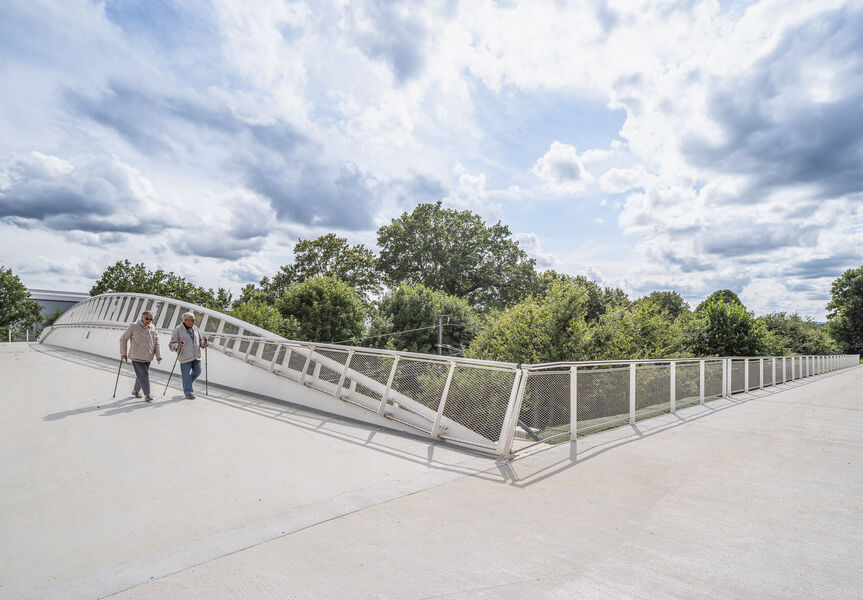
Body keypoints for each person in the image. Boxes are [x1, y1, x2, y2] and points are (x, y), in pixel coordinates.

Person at [119, 310, 162, 402]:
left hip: (148, 357)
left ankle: (135, 391)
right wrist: (123, 353)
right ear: (142, 317)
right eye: (147, 318)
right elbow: (123, 339)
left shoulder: (153, 327)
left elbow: (156, 342)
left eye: (151, 319)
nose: (149, 321)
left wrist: (158, 355)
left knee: (141, 376)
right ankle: (147, 394)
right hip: (137, 356)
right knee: (144, 375)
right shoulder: (134, 326)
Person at [169, 312, 208, 399]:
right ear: (185, 320)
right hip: (185, 356)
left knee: (198, 371)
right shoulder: (178, 329)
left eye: (194, 320)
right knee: (186, 375)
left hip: (196, 355)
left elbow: (200, 341)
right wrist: (178, 345)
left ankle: (187, 383)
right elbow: (171, 345)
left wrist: (204, 344)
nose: (194, 322)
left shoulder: (196, 329)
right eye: (192, 320)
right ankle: (188, 392)